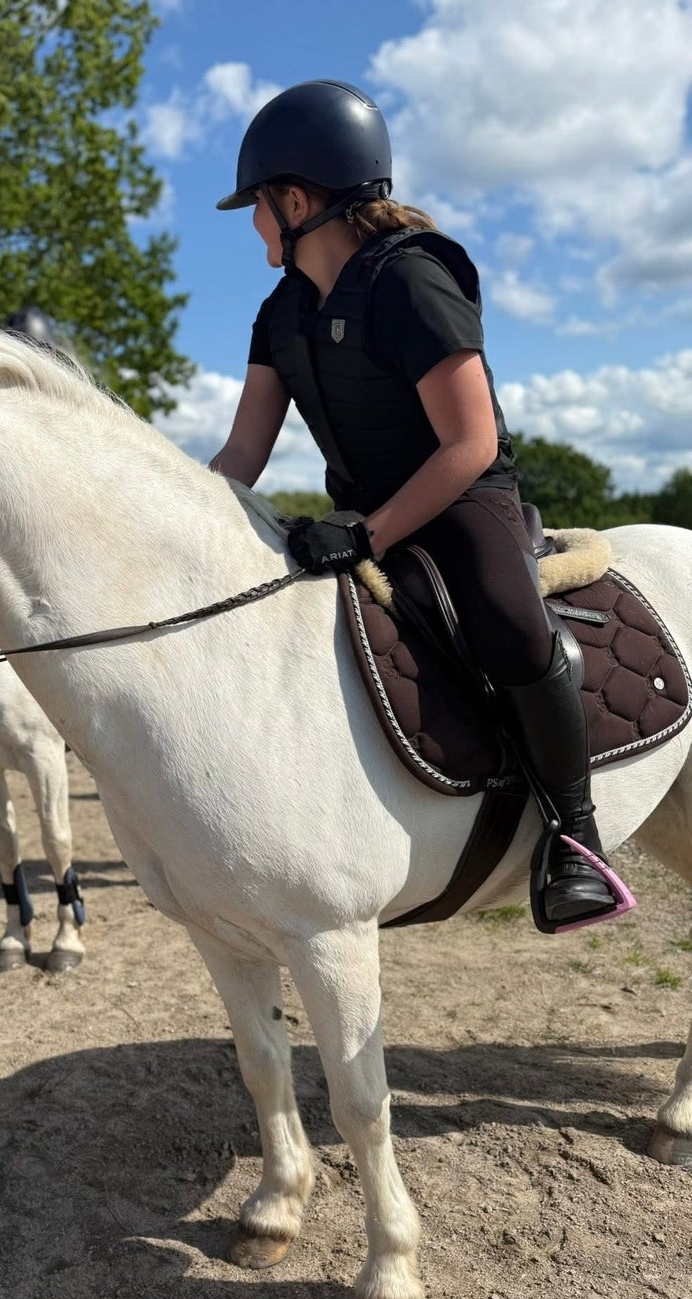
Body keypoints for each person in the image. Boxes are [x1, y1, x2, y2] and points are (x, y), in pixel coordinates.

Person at [210, 78, 623, 929]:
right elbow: (243, 454)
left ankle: (576, 839)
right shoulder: (278, 314)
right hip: (357, 516)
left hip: (461, 498)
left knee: (508, 622)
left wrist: (367, 531)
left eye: (256, 205)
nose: (253, 223)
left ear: (294, 200)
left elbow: (468, 444)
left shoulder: (412, 282)